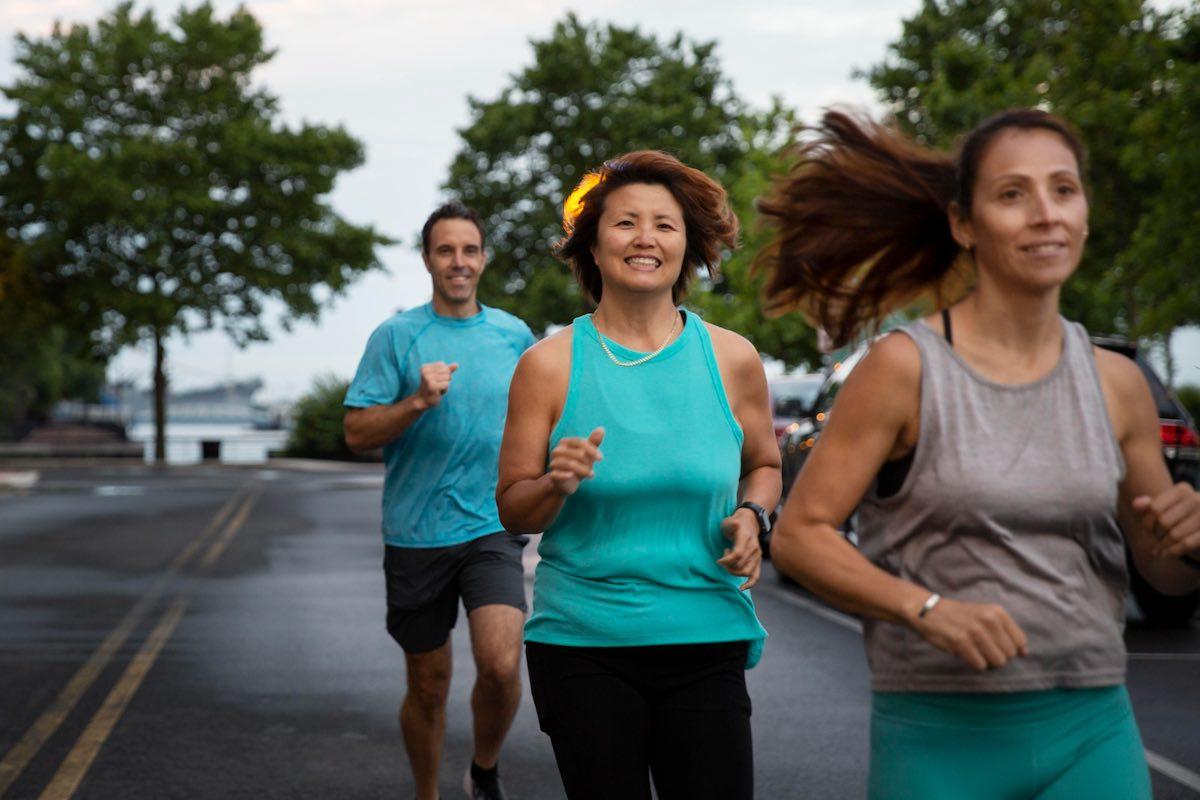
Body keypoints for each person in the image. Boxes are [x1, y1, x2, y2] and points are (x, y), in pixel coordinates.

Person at [759, 109, 1200, 800]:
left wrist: (1188, 542)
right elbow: (800, 536)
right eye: (1012, 194)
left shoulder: (1117, 384)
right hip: (938, 737)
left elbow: (1165, 575)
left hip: (1092, 727)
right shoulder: (903, 369)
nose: (1045, 215)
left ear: (1085, 211)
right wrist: (925, 607)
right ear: (964, 223)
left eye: (1064, 189)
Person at [495, 150, 781, 800]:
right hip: (584, 643)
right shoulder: (548, 366)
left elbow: (764, 464)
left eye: (665, 224)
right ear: (592, 247)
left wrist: (753, 515)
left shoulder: (733, 359)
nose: (645, 238)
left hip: (707, 635)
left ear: (688, 247)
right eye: (625, 223)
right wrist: (555, 483)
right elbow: (513, 507)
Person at [344, 202, 535, 800]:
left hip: (491, 526)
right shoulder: (397, 337)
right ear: (427, 259)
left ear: (484, 257)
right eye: (446, 250)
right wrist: (415, 403)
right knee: (429, 684)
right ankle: (427, 792)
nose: (459, 261)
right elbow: (355, 434)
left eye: (469, 250)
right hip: (416, 532)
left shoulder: (513, 335)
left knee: (502, 666)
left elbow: (542, 420)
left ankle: (483, 769)